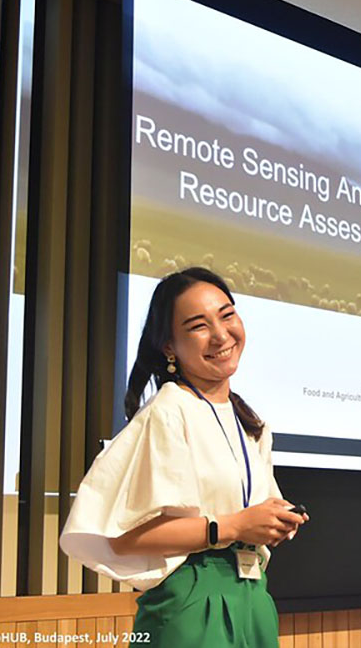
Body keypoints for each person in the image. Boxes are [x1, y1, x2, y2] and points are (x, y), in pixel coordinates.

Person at [60, 267, 306, 647]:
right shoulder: (169, 410)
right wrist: (234, 526)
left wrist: (273, 522)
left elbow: (243, 513)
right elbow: (125, 537)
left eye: (227, 314)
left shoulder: (250, 422)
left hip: (254, 599)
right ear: (169, 347)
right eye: (198, 326)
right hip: (192, 606)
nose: (221, 335)